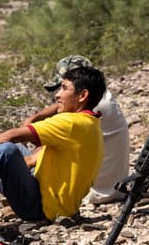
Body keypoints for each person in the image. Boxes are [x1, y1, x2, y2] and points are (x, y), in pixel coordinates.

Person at [0, 65, 106, 221]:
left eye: (64, 88)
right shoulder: (89, 123)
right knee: (11, 150)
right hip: (54, 201)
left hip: (42, 208)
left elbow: (9, 136)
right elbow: (32, 159)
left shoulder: (71, 124)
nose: (57, 95)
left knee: (5, 150)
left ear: (83, 95)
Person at [25, 56, 130, 205]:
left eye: (64, 87)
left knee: (9, 154)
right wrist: (36, 117)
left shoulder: (94, 109)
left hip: (97, 192)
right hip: (112, 187)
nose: (59, 93)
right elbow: (56, 110)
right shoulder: (102, 98)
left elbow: (55, 138)